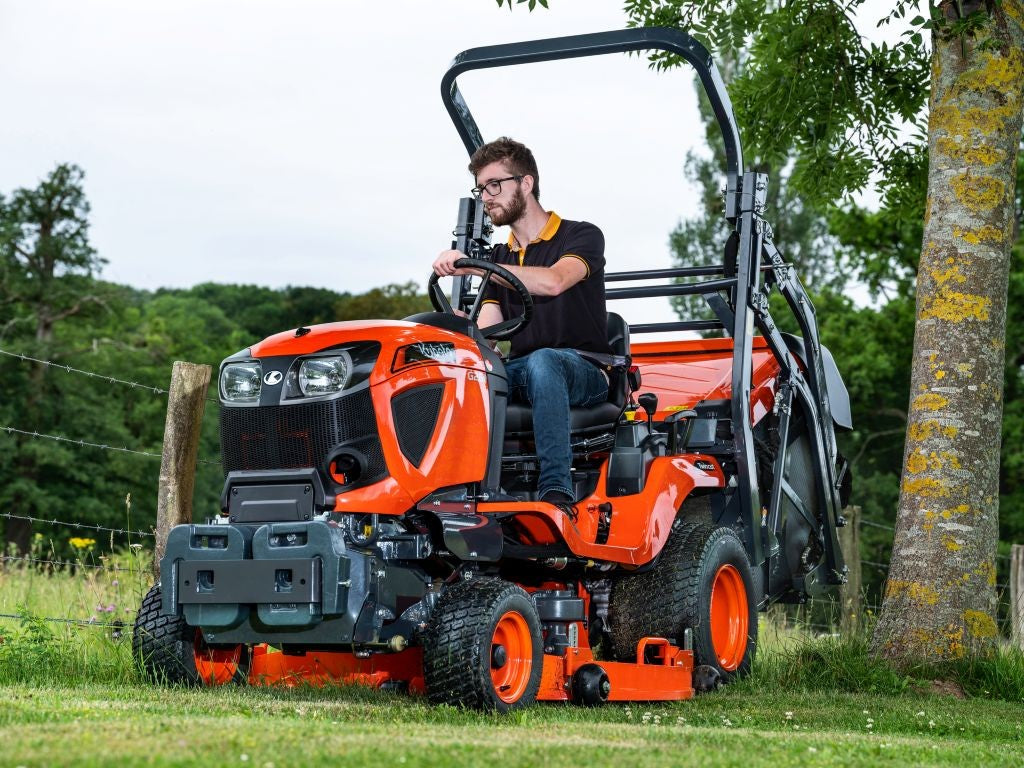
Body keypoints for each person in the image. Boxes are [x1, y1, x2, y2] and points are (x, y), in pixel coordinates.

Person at [432, 137, 610, 507]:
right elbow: (489, 331)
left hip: (587, 369)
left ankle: (556, 490)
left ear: (525, 183)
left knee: (545, 361)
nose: (486, 197)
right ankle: (454, 490)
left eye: (494, 185)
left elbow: (554, 281)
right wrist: (460, 328)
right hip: (525, 369)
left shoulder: (581, 235)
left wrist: (477, 266)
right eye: (481, 189)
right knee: (455, 373)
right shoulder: (500, 256)